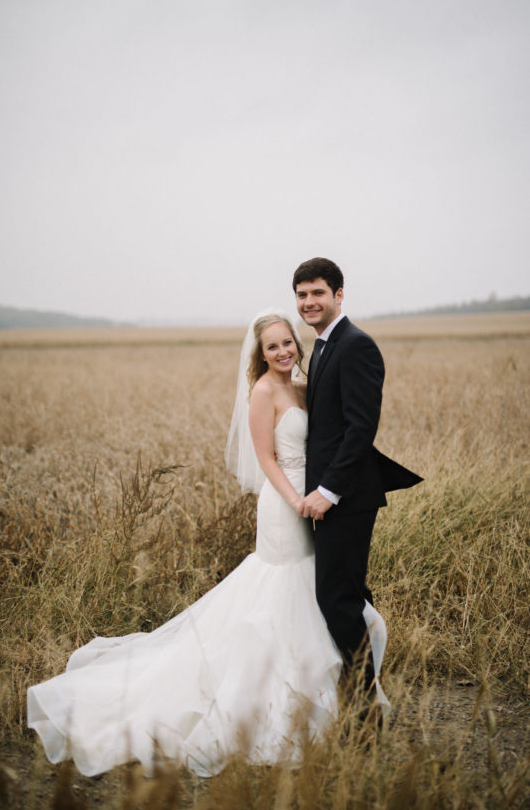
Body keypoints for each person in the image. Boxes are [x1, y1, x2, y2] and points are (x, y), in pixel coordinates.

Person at [26, 310, 390, 778]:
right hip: (286, 507)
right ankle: (269, 694)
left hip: (317, 502)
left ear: (297, 345)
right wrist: (297, 500)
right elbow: (264, 459)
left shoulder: (301, 385)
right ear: (260, 354)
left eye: (287, 343)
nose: (282, 352)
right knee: (282, 586)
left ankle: (333, 691)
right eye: (272, 347)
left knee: (313, 588)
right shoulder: (262, 392)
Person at [293, 258, 422, 697]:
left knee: (337, 599)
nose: (309, 302)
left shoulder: (356, 345)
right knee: (348, 593)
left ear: (339, 295)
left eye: (318, 293)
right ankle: (362, 687)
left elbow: (360, 428)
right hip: (331, 495)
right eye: (302, 294)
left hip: (346, 497)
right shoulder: (324, 345)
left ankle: (365, 711)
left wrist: (328, 492)